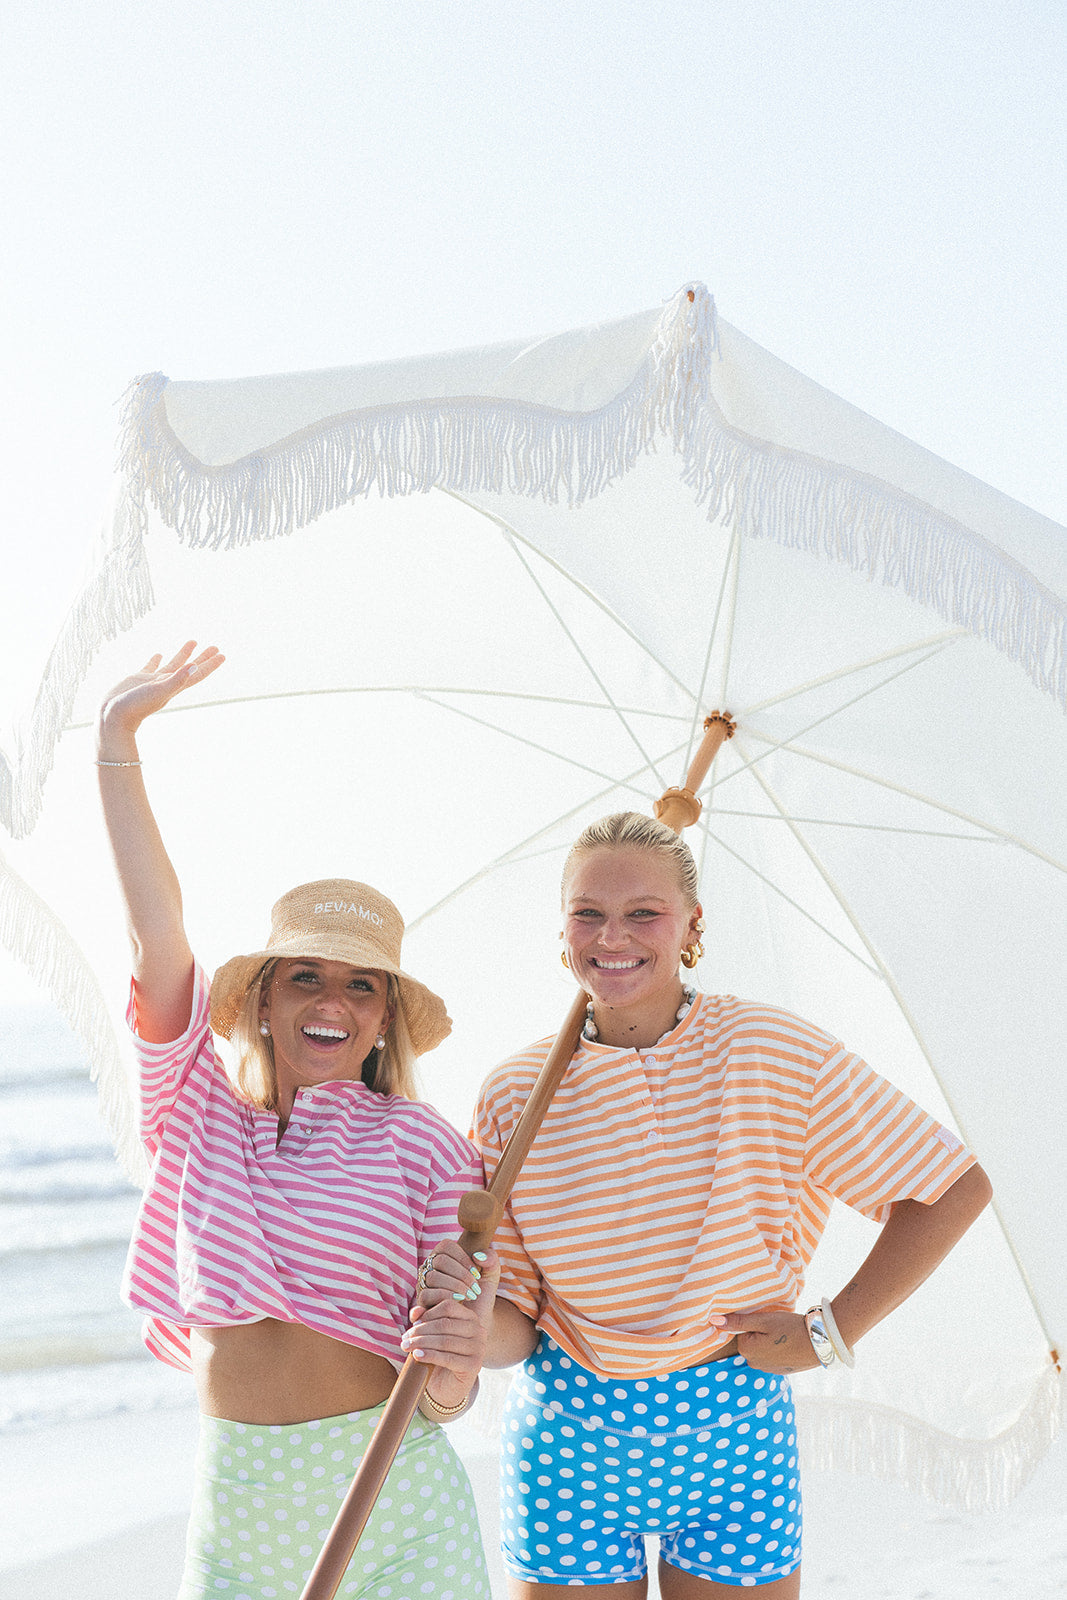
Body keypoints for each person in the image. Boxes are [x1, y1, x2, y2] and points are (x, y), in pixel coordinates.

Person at [468, 810, 992, 1598]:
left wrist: (830, 1333)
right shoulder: (514, 1092)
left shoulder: (768, 1050)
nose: (613, 937)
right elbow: (513, 1326)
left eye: (643, 912)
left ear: (690, 925)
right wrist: (456, 1314)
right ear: (563, 926)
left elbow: (949, 1188)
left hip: (733, 1428)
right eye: (589, 913)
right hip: (568, 1434)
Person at [96, 642, 496, 1600]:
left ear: (383, 1017)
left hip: (393, 1496)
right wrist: (116, 745)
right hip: (238, 1504)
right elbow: (159, 934)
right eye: (305, 974)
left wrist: (454, 1351)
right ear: (263, 1001)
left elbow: (449, 1394)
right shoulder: (193, 1110)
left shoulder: (425, 1145)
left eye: (362, 984)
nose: (332, 999)